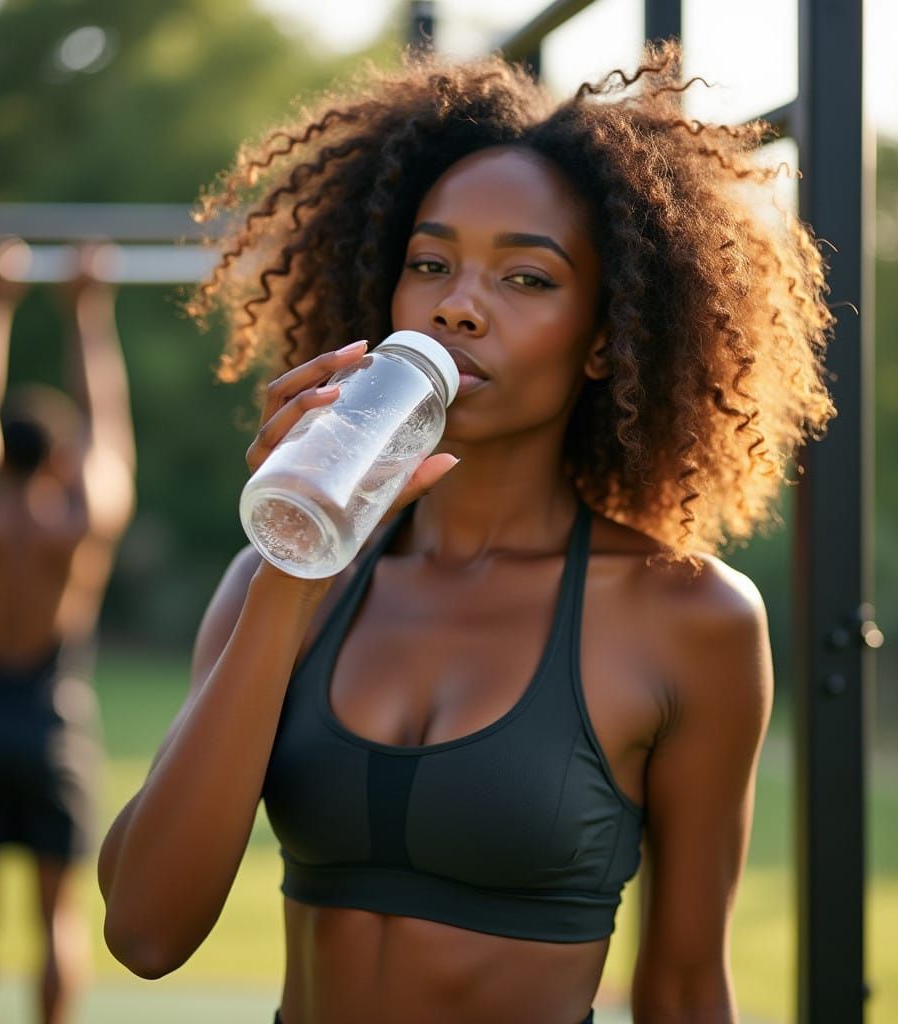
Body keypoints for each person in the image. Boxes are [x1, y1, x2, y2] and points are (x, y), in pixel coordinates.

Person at [99, 42, 835, 1023]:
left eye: (526, 278)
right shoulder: (269, 581)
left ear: (606, 338)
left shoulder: (690, 619)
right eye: (429, 264)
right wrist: (297, 555)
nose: (458, 305)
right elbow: (145, 932)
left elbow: (686, 986)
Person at [0, 241, 136, 1024]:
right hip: (53, 725)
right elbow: (107, 428)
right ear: (60, 459)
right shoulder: (78, 522)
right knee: (57, 918)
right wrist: (86, 312)